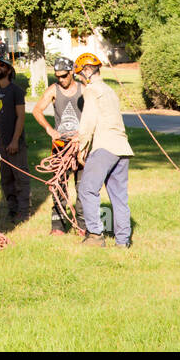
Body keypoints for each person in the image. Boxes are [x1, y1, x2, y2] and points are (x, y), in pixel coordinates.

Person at [69, 52, 134, 249]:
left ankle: (95, 236)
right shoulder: (109, 90)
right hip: (122, 147)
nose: (80, 78)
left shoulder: (92, 90)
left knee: (87, 189)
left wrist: (81, 146)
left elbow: (88, 120)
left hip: (104, 146)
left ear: (88, 71)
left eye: (80, 74)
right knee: (119, 196)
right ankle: (123, 242)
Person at [32, 55, 84, 236]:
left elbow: (95, 113)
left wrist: (83, 135)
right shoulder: (53, 90)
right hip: (60, 145)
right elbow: (37, 110)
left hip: (80, 145)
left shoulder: (83, 90)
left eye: (64, 76)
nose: (61, 80)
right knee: (59, 185)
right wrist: (49, 129)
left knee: (83, 186)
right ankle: (58, 226)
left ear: (72, 73)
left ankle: (82, 225)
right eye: (57, 77)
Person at [0, 46, 30, 222]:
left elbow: (21, 116)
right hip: (2, 140)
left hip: (15, 142)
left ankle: (24, 210)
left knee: (20, 176)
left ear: (9, 70)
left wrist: (15, 140)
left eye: (2, 64)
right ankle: (12, 209)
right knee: (6, 176)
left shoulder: (16, 91)